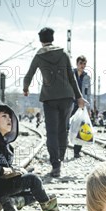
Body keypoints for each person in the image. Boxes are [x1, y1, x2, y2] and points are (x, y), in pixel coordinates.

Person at [0, 103, 76, 211]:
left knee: (37, 191)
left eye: (9, 116)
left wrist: (15, 171)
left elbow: (5, 166)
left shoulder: (7, 145)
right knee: (33, 180)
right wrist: (4, 171)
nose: (9, 119)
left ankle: (12, 202)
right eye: (3, 116)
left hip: (2, 186)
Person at [23, 27, 85, 178]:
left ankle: (55, 165)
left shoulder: (39, 56)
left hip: (49, 98)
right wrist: (79, 97)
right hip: (67, 97)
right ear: (52, 38)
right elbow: (71, 77)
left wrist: (26, 88)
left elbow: (29, 74)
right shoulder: (63, 53)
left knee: (51, 132)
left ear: (41, 40)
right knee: (62, 129)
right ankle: (61, 158)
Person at [70, 55, 92, 159]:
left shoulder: (87, 77)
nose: (82, 66)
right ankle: (61, 149)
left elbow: (88, 94)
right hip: (70, 104)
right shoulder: (70, 74)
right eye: (80, 63)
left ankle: (77, 151)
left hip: (82, 105)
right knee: (65, 126)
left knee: (80, 128)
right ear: (77, 64)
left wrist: (89, 108)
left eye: (84, 64)